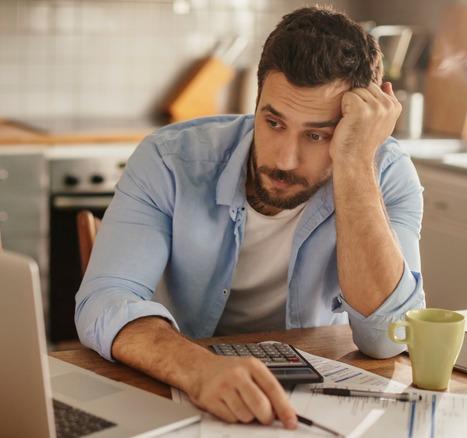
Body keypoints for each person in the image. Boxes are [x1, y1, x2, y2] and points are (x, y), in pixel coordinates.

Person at [74, 6, 425, 429]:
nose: (284, 159)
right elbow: (104, 301)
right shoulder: (170, 161)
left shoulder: (383, 174)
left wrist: (353, 161)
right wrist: (199, 369)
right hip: (181, 389)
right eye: (273, 122)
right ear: (254, 102)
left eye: (317, 135)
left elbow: (387, 337)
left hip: (312, 409)